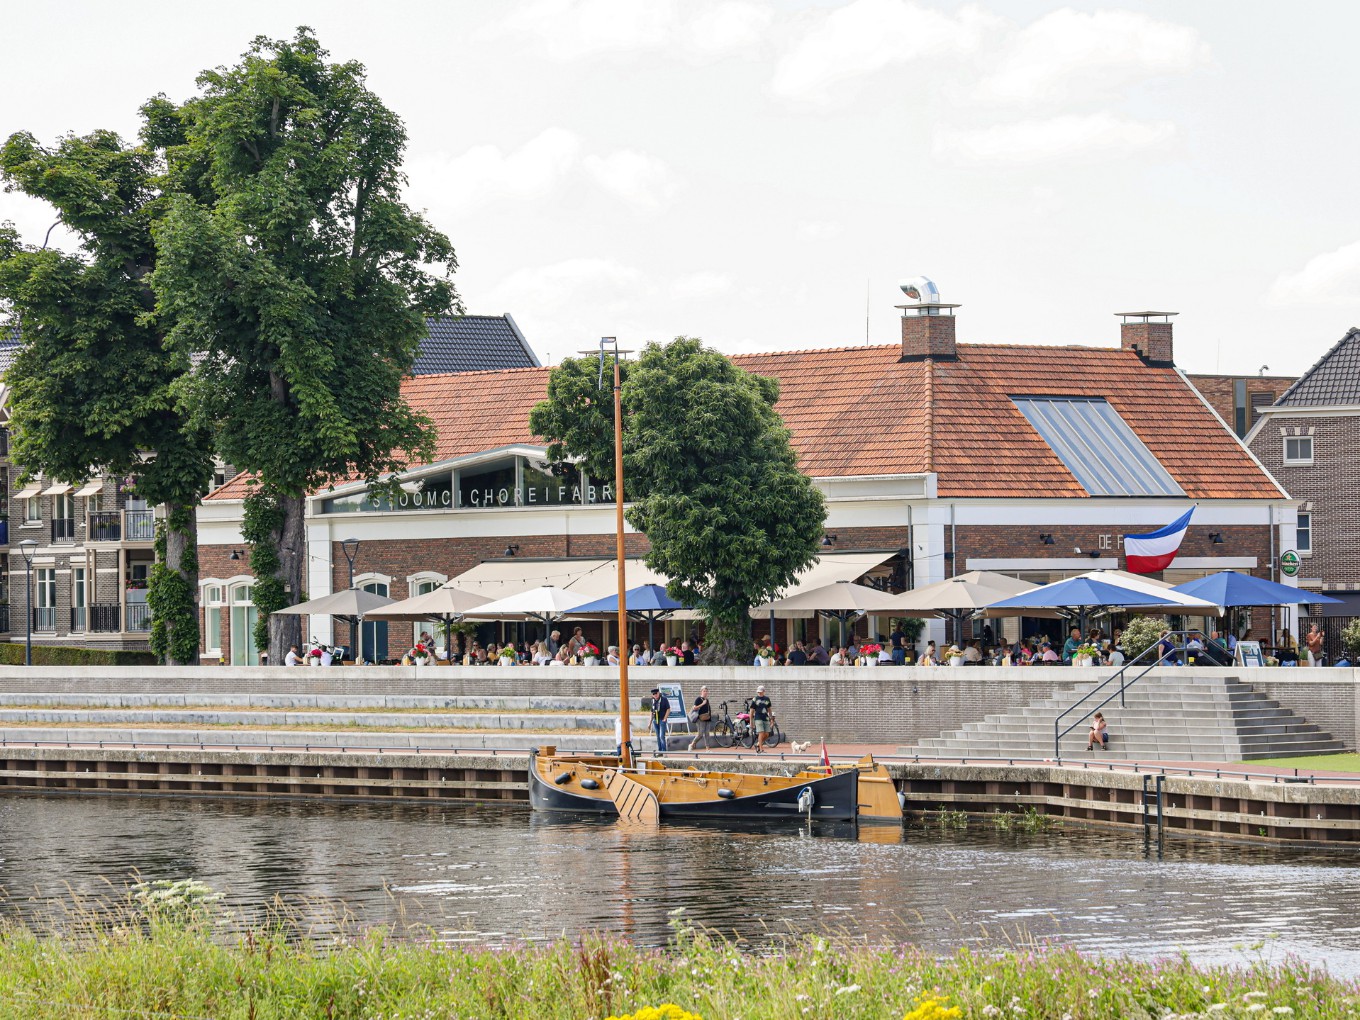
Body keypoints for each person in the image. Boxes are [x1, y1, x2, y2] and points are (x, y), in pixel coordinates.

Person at [749, 683, 774, 753]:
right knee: (761, 733)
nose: (759, 693)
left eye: (760, 692)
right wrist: (751, 722)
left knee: (767, 734)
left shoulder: (767, 699)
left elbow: (769, 709)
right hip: (758, 718)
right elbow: (751, 711)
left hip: (765, 718)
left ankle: (758, 744)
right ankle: (761, 749)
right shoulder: (755, 699)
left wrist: (771, 719)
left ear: (763, 691)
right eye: (758, 692)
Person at [688, 685, 713, 751]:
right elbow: (694, 708)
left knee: (707, 734)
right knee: (700, 734)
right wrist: (702, 704)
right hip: (700, 719)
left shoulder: (707, 700)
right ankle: (692, 744)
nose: (705, 692)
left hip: (707, 718)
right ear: (701, 692)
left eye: (706, 691)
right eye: (704, 691)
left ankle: (707, 749)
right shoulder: (698, 699)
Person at [650, 687, 671, 755]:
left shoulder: (664, 699)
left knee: (662, 735)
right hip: (655, 720)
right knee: (658, 736)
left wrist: (665, 718)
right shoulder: (653, 701)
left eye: (656, 693)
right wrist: (650, 722)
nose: (655, 695)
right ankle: (660, 751)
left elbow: (668, 709)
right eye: (653, 694)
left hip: (662, 720)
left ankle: (664, 751)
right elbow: (651, 711)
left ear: (659, 693)